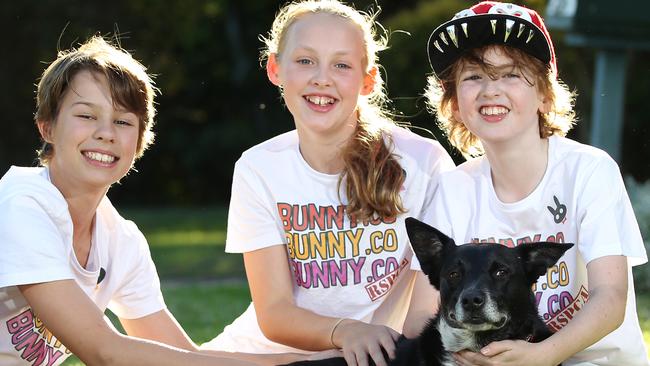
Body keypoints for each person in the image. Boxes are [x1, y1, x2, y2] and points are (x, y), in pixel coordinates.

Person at [0, 35, 306, 366]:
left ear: (139, 141)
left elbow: (182, 356)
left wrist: (311, 361)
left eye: (123, 121)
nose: (106, 132)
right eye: (86, 116)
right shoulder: (21, 204)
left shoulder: (120, 240)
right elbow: (105, 352)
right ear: (46, 127)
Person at [200, 1, 455, 365]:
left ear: (368, 80)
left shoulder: (422, 164)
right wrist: (345, 330)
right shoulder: (259, 168)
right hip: (265, 355)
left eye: (342, 65)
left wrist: (404, 357)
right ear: (276, 69)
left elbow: (423, 315)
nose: (322, 78)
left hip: (375, 357)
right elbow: (273, 313)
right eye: (305, 61)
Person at [424, 2, 649, 365]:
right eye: (473, 77)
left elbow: (610, 298)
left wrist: (543, 355)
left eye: (511, 74)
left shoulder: (587, 170)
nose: (490, 90)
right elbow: (429, 311)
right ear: (453, 103)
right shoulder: (453, 189)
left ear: (545, 95)